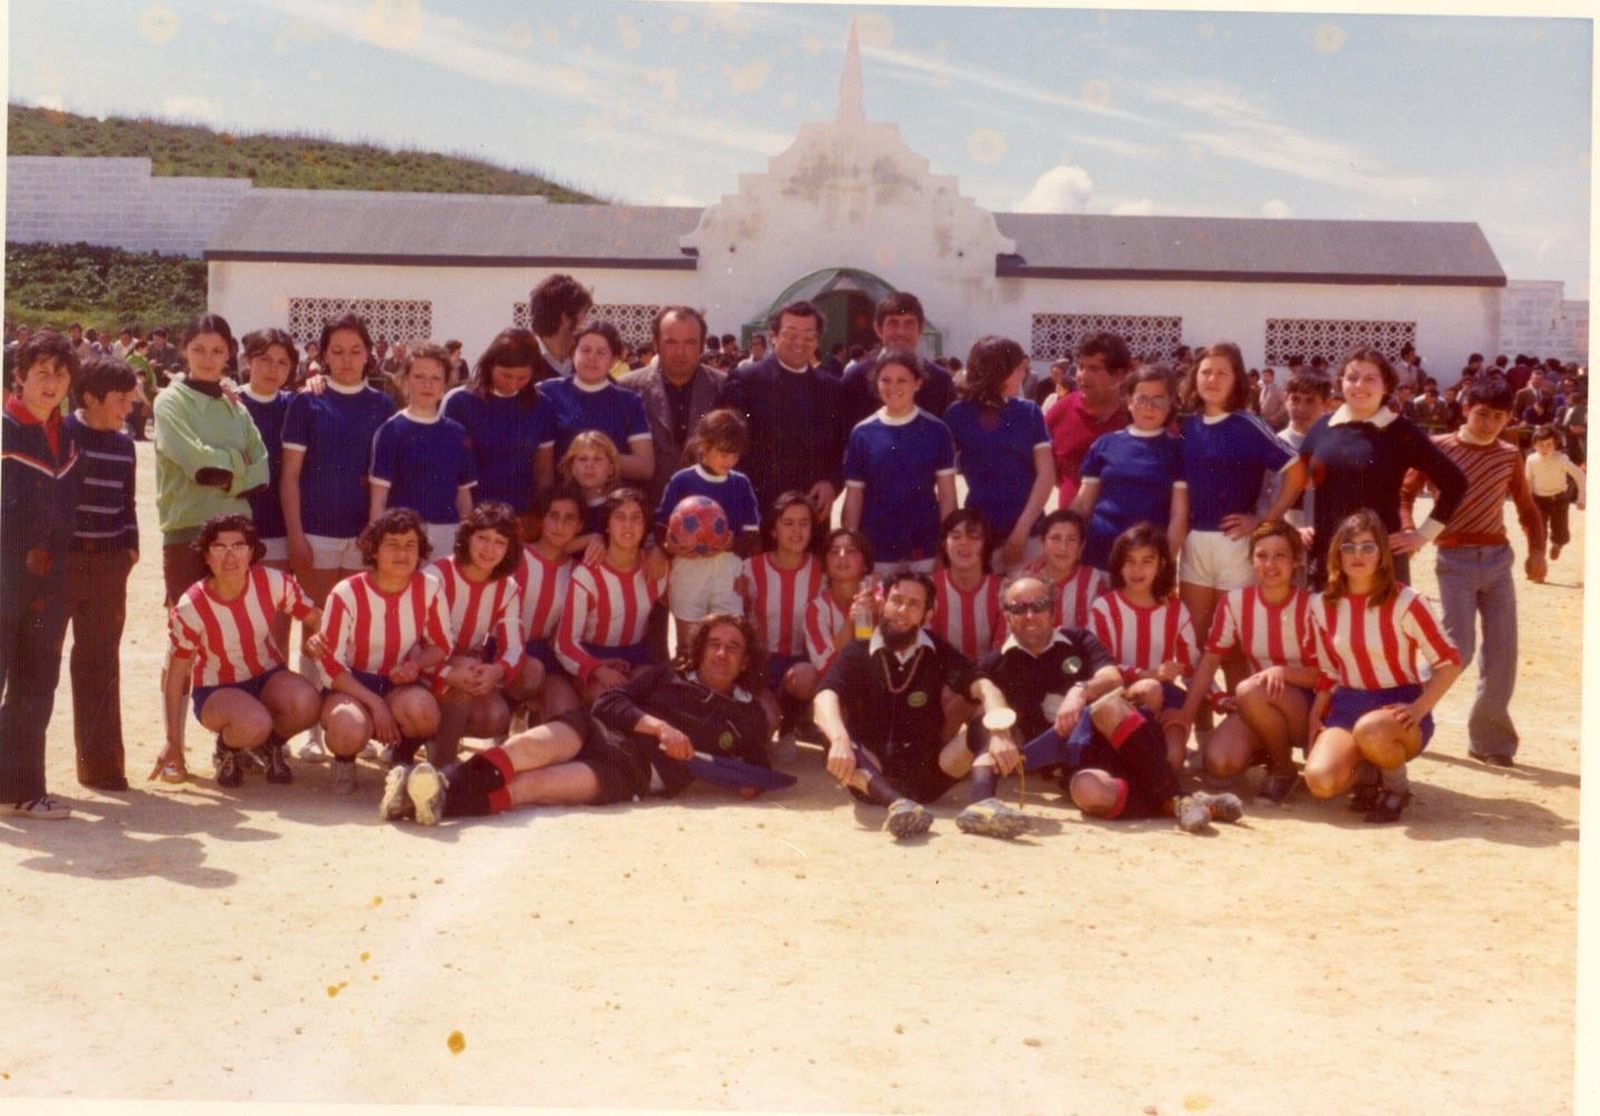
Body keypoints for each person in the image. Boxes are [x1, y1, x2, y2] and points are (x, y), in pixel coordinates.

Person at [384, 615, 775, 826]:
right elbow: (609, 703)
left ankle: (426, 800)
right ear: (701, 649)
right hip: (598, 729)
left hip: (632, 771)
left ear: (745, 661)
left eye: (732, 648)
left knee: (530, 786)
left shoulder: (748, 714)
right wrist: (659, 727)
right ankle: (436, 785)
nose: (721, 654)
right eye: (714, 644)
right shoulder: (669, 675)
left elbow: (760, 767)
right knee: (523, 749)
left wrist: (748, 784)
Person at [973, 575, 1241, 834]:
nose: (1030, 615)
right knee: (1088, 792)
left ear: (1052, 610)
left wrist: (1079, 691)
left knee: (1108, 706)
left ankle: (1178, 798)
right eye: (1019, 608)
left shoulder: (1079, 639)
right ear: (1007, 615)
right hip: (1075, 760)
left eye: (1039, 605)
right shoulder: (995, 665)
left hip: (1126, 739)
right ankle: (1179, 800)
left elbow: (1112, 677)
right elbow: (980, 716)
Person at [1397, 376, 1543, 769]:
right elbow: (1405, 492)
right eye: (1481, 414)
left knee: (1502, 651)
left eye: (1498, 417)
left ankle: (1490, 740)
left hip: (1498, 560)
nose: (1488, 423)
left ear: (1508, 418)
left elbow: (1527, 508)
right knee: (1455, 648)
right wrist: (1409, 529)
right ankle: (1402, 710)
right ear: (1465, 409)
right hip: (1454, 560)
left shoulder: (1509, 455)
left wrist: (1537, 550)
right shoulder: (1439, 448)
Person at [813, 570, 1018, 840]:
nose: (902, 611)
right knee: (834, 732)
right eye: (896, 601)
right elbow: (825, 696)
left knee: (986, 722)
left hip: (929, 775)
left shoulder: (938, 651)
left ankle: (983, 805)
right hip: (871, 776)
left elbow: (985, 687)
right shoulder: (858, 651)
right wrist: (839, 740)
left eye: (913, 605)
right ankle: (897, 805)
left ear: (927, 614)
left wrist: (1000, 732)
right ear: (883, 603)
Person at [1302, 511, 1462, 823]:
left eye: (1368, 547)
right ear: (1337, 554)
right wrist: (1314, 715)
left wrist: (1419, 708)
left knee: (1371, 730)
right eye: (1349, 547)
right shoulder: (1322, 605)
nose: (1358, 555)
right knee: (1321, 781)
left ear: (1382, 554)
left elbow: (1450, 662)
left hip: (1397, 711)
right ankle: (1369, 773)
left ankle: (1396, 789)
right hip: (1348, 705)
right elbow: (1329, 670)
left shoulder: (1407, 601)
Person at [1260, 347, 1467, 588]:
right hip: (1329, 554)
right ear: (1341, 382)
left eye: (1370, 379)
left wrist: (1422, 535)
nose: (1359, 385)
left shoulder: (1401, 431)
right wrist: (1296, 526)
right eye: (1352, 377)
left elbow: (1455, 482)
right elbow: (1297, 481)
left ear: (1386, 386)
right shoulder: (1322, 427)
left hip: (1380, 558)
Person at [163, 515, 323, 788]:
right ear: (206, 556)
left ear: (251, 553)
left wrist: (320, 637)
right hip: (216, 689)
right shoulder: (191, 605)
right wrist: (172, 743)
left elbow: (316, 618)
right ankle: (227, 749)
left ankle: (268, 746)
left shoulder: (272, 582)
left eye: (238, 546)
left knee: (308, 703)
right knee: (254, 723)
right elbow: (176, 675)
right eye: (219, 547)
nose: (230, 556)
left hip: (266, 676)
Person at [1175, 521, 1320, 802]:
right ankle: (1267, 748)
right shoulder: (1236, 602)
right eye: (1262, 556)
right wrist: (1185, 717)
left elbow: (1326, 673)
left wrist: (1282, 672)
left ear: (1296, 561)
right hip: (1257, 702)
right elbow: (1210, 661)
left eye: (1280, 556)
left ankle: (1283, 770)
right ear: (1251, 560)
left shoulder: (1311, 605)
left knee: (1249, 690)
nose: (1270, 565)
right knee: (1219, 762)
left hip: (1304, 708)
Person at [313, 508, 454, 795]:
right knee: (347, 725)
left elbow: (442, 644)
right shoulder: (346, 592)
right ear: (374, 551)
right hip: (351, 684)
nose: (402, 553)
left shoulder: (429, 587)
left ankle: (402, 757)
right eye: (392, 544)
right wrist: (375, 704)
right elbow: (329, 665)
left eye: (410, 545)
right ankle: (344, 761)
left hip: (397, 683)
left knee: (425, 713)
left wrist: (415, 665)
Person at [0, 330, 81, 818]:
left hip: (48, 581)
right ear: (19, 376)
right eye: (42, 372)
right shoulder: (5, 430)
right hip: (4, 572)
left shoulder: (67, 434)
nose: (52, 383)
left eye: (61, 374)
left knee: (35, 682)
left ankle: (19, 790)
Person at [1175, 343, 1294, 674]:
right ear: (1194, 377)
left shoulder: (1247, 424)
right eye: (1206, 372)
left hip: (1236, 545)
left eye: (1222, 373)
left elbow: (1297, 471)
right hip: (1195, 543)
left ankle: (1237, 709)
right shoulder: (1188, 427)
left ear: (1236, 380)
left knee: (1233, 647)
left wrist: (1264, 520)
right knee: (1195, 644)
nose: (1212, 379)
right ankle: (1200, 710)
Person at [63, 355, 141, 791]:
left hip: (109, 565)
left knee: (100, 662)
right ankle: (19, 774)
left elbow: (128, 502)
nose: (128, 408)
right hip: (62, 563)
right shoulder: (61, 435)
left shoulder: (125, 445)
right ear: (91, 398)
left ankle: (101, 768)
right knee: (36, 664)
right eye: (120, 400)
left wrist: (129, 548)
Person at [716, 299, 845, 517]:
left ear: (817, 341)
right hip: (754, 509)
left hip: (810, 510)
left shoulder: (831, 389)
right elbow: (724, 444)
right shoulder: (746, 381)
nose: (799, 342)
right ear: (773, 337)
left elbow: (842, 446)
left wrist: (831, 482)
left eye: (808, 336)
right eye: (790, 334)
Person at [1087, 523, 1198, 771]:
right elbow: (1101, 665)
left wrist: (1219, 698)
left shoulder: (1175, 608)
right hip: (1119, 696)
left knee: (1173, 759)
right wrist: (1149, 674)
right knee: (1150, 689)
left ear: (1162, 564)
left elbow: (1192, 666)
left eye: (1147, 561)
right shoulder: (1104, 607)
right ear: (1118, 565)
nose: (1137, 569)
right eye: (1130, 561)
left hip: (1166, 697)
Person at [941, 335, 1056, 570]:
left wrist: (1021, 530)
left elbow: (1046, 475)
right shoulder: (958, 414)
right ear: (1000, 371)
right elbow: (945, 479)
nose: (1023, 374)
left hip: (1029, 529)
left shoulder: (1029, 412)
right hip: (978, 531)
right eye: (1018, 368)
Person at [841, 347, 958, 574]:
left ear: (918, 383)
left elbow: (947, 496)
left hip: (925, 547)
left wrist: (945, 549)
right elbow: (854, 496)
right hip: (876, 550)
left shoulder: (937, 430)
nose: (893, 387)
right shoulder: (862, 432)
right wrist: (853, 546)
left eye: (902, 380)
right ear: (876, 383)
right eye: (885, 380)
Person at [428, 503, 525, 767]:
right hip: (419, 669)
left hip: (465, 666)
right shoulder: (436, 576)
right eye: (483, 538)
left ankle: (439, 740)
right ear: (467, 537)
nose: (489, 549)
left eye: (499, 542)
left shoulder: (507, 587)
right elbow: (410, 646)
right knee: (466, 677)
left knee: (494, 716)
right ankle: (442, 767)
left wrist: (497, 671)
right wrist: (446, 672)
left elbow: (514, 648)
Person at [655, 408, 762, 647]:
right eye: (723, 453)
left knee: (727, 637)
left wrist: (732, 544)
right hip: (689, 568)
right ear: (703, 446)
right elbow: (661, 526)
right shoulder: (682, 481)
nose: (730, 461)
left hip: (726, 571)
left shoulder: (740, 483)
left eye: (735, 455)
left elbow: (752, 534)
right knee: (688, 643)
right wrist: (670, 546)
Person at [554, 487, 668, 702]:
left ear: (645, 525)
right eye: (619, 517)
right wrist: (597, 669)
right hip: (594, 655)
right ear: (607, 525)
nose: (628, 525)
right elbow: (565, 643)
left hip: (637, 658)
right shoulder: (587, 575)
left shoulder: (656, 567)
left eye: (636, 518)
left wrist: (661, 549)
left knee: (654, 690)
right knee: (607, 696)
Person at [1070, 363, 1187, 572]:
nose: (1149, 407)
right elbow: (1083, 504)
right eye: (1142, 399)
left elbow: (1179, 513)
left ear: (1170, 403)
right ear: (1129, 402)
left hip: (1146, 564)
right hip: (1098, 554)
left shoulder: (1178, 450)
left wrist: (1166, 563)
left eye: (1158, 399)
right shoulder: (1105, 444)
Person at [368, 342, 478, 557]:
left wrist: (466, 542)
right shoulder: (391, 430)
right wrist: (378, 545)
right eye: (419, 376)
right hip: (402, 537)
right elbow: (378, 500)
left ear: (445, 383)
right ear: (406, 379)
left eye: (436, 378)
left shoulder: (457, 433)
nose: (427, 384)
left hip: (447, 536)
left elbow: (464, 497)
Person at [441, 327, 557, 521]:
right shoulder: (459, 402)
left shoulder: (541, 405)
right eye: (506, 375)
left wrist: (541, 515)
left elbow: (544, 471)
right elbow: (449, 469)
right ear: (490, 365)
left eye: (522, 378)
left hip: (521, 516)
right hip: (473, 515)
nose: (513, 384)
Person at [617, 306, 727, 511]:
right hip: (645, 514)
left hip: (709, 512)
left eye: (689, 342)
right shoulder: (626, 389)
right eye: (671, 342)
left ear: (702, 345)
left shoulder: (725, 388)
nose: (680, 352)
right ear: (655, 343)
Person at [740, 491, 824, 739]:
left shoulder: (821, 570)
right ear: (774, 530)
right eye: (788, 523)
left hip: (801, 663)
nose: (796, 531)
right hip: (761, 663)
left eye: (804, 523)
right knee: (766, 722)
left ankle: (793, 723)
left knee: (805, 678)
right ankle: (771, 715)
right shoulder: (751, 568)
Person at [538, 321, 654, 483]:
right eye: (585, 350)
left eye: (601, 352)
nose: (591, 358)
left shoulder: (629, 401)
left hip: (610, 496)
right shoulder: (548, 392)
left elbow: (645, 467)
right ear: (573, 353)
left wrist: (599, 458)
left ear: (613, 361)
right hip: (561, 495)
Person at [504, 485, 584, 722]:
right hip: (505, 647)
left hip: (546, 654)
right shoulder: (517, 556)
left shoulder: (577, 570)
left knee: (564, 709)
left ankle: (532, 717)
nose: (559, 525)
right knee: (531, 673)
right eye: (553, 516)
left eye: (569, 519)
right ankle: (511, 710)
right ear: (541, 519)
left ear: (580, 526)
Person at [838, 291, 956, 429]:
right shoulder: (855, 379)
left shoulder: (941, 381)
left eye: (909, 324)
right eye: (893, 323)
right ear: (878, 329)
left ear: (921, 329)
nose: (901, 332)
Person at [1044, 330, 1131, 507]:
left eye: (1094, 369)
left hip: (1125, 523)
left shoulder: (1142, 416)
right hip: (1072, 522)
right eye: (1081, 366)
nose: (1082, 375)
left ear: (1119, 375)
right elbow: (1048, 472)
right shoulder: (1060, 412)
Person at [928, 508, 1005, 663]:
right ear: (944, 544)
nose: (964, 542)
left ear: (985, 545)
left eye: (974, 537)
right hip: (942, 672)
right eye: (956, 537)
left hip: (990, 671)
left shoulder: (1003, 589)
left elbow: (1002, 649)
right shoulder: (928, 588)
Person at [803, 528, 875, 679]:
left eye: (851, 551)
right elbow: (825, 668)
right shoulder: (816, 610)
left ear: (865, 564)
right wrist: (850, 621)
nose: (842, 556)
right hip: (836, 683)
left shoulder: (879, 601)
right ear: (825, 565)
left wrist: (879, 616)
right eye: (834, 552)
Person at [1019, 508, 1105, 630]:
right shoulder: (1027, 579)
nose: (1063, 547)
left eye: (1072, 539)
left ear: (1081, 546)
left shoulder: (1092, 579)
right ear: (1042, 542)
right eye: (1055, 538)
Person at [1525, 423, 1586, 563]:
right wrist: (1527, 503)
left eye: (1549, 445)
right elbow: (1528, 481)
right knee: (1538, 530)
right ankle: (1538, 557)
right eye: (1540, 445)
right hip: (1539, 500)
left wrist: (1581, 498)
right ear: (1534, 445)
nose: (1544, 448)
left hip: (1559, 499)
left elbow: (1580, 475)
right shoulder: (1531, 460)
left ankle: (1557, 544)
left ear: (1555, 445)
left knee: (1560, 533)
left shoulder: (1561, 459)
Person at [527, 273, 594, 381]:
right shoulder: (523, 360)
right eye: (584, 313)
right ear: (565, 318)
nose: (587, 321)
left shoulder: (587, 358)